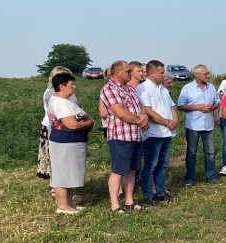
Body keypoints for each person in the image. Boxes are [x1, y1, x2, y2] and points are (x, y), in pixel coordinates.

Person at [100, 60, 149, 214]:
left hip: (135, 135)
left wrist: (144, 117)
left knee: (132, 170)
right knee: (118, 170)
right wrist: (140, 121)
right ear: (118, 73)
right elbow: (120, 112)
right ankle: (115, 205)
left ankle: (129, 200)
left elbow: (141, 108)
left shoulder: (130, 89)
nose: (130, 73)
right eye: (128, 71)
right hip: (120, 136)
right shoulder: (109, 89)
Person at [46, 72, 94, 214]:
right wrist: (88, 123)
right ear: (61, 86)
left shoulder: (66, 100)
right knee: (63, 174)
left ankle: (69, 203)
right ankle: (62, 205)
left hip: (71, 142)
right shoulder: (61, 103)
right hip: (65, 142)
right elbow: (72, 124)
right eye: (71, 84)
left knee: (69, 173)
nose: (74, 87)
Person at [137, 60, 178, 205]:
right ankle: (149, 194)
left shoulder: (163, 89)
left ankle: (161, 192)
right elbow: (148, 111)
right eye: (161, 72)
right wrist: (167, 122)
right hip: (153, 134)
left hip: (166, 133)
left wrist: (175, 119)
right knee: (150, 165)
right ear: (152, 73)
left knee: (163, 164)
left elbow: (172, 106)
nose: (163, 75)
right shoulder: (143, 88)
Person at [177, 64, 220, 186]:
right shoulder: (187, 88)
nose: (208, 75)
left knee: (210, 152)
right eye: (205, 73)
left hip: (208, 124)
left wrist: (212, 107)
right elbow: (180, 106)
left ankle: (211, 176)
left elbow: (217, 102)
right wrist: (197, 107)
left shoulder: (211, 87)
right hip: (193, 125)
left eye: (208, 73)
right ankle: (190, 177)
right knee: (191, 152)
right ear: (197, 75)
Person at [37, 66, 77, 181]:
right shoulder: (52, 93)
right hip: (55, 127)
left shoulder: (53, 92)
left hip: (58, 126)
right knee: (56, 159)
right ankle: (57, 189)